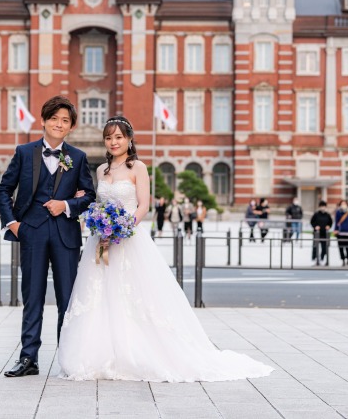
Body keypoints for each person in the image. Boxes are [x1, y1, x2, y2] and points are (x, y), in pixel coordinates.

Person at [57, 115, 273, 382]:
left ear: (129, 139)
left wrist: (120, 230)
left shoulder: (139, 168)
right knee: (98, 295)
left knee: (133, 296)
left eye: (118, 137)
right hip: (100, 242)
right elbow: (98, 201)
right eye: (109, 137)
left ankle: (133, 351)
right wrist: (98, 223)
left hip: (127, 239)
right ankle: (98, 353)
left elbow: (143, 206)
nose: (113, 142)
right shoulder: (101, 170)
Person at [0, 96, 96, 378]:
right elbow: (4, 189)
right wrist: (13, 224)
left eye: (65, 120)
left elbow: (89, 195)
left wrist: (66, 205)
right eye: (54, 118)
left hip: (65, 234)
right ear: (43, 120)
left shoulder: (77, 157)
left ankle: (68, 358)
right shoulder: (24, 152)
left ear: (71, 127)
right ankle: (29, 358)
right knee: (33, 297)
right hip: (32, 232)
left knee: (68, 299)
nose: (59, 124)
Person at [333, 199, 348, 267]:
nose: (343, 205)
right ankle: (343, 260)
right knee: (341, 247)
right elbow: (337, 222)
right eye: (342, 204)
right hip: (340, 233)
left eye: (345, 203)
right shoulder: (338, 212)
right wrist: (336, 229)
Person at [310, 200, 332, 266]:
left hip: (324, 234)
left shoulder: (327, 215)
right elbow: (312, 222)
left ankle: (322, 258)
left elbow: (330, 222)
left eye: (324, 206)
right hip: (317, 233)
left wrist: (329, 226)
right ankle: (316, 259)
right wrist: (315, 227)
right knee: (315, 247)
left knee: (324, 247)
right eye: (321, 206)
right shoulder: (316, 214)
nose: (323, 207)